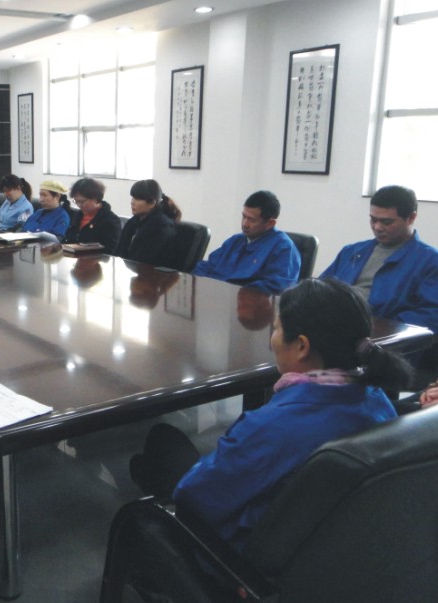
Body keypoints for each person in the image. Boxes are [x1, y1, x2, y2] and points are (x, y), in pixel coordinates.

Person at [129, 279, 410, 563]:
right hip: (333, 548)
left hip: (240, 560)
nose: (271, 338)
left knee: (162, 440)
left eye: (275, 328)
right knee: (155, 458)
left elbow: (193, 497)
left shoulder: (274, 425)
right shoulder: (378, 400)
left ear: (301, 346)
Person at [320, 185, 438, 334]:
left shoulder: (429, 261)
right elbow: (319, 289)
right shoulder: (352, 251)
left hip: (379, 336)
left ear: (411, 218)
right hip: (334, 325)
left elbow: (432, 315)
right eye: (373, 220)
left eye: (386, 222)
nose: (377, 227)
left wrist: (379, 325)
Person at [192, 190, 300, 294]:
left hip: (248, 302)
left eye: (251, 220)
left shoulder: (283, 247)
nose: (245, 224)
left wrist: (234, 292)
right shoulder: (236, 240)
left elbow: (277, 286)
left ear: (270, 223)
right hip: (216, 296)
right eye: (244, 216)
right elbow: (206, 267)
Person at [115, 179, 181, 267]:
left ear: (152, 203)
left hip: (151, 273)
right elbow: (119, 253)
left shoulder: (161, 227)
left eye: (138, 199)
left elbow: (143, 260)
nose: (132, 202)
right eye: (133, 197)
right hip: (129, 270)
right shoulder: (133, 222)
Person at [64, 177, 122, 254]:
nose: (79, 205)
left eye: (82, 201)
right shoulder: (78, 216)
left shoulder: (110, 220)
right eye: (76, 201)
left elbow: (109, 250)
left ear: (95, 198)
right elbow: (68, 239)